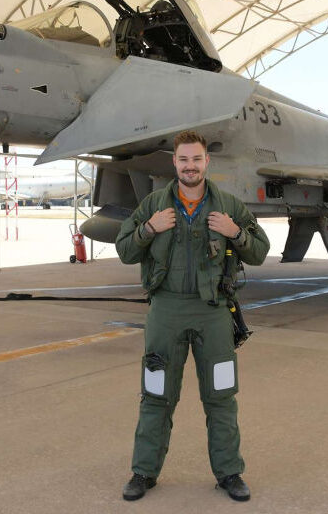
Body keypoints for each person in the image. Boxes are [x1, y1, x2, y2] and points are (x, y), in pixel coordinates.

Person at [116, 130, 270, 502]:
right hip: (165, 311)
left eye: (196, 159)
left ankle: (229, 473)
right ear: (175, 162)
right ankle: (144, 472)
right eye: (183, 160)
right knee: (156, 394)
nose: (190, 166)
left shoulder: (228, 206)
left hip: (213, 312)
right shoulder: (154, 205)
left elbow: (260, 251)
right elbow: (124, 249)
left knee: (221, 395)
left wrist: (236, 233)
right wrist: (149, 228)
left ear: (206, 162)